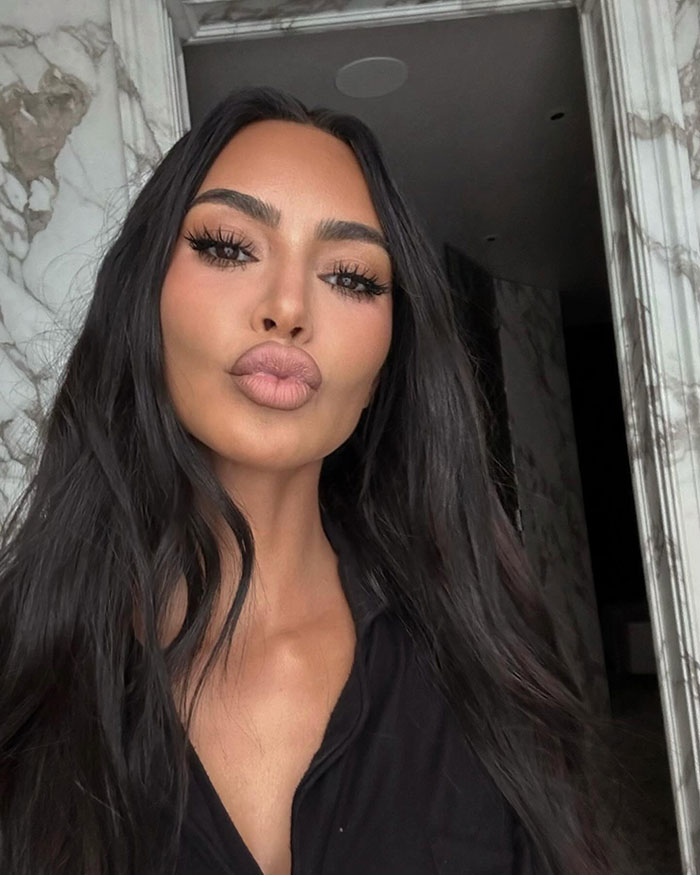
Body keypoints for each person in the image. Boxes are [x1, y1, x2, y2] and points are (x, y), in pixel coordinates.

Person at [0, 86, 633, 875]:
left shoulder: (479, 663)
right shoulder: (24, 668)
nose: (289, 307)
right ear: (143, 295)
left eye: (351, 278)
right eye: (230, 246)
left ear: (389, 355)